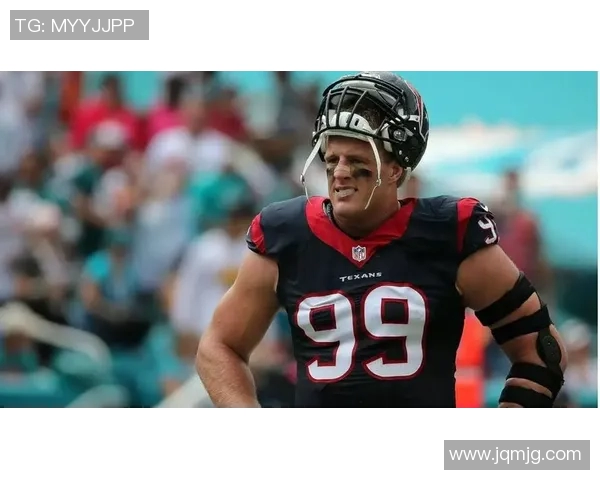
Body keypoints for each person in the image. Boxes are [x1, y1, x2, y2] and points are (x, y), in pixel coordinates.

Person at [196, 71, 568, 408]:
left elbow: (541, 350)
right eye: (332, 158)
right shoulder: (286, 235)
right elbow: (218, 347)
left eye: (357, 160)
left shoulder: (448, 232)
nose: (340, 172)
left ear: (396, 168)